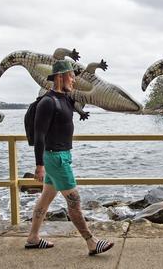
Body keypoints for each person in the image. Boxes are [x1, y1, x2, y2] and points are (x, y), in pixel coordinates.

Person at [25, 60, 114, 255]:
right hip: (54, 157)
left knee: (45, 199)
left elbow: (89, 94)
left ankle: (33, 237)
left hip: (63, 155)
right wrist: (39, 165)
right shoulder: (48, 102)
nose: (74, 80)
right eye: (71, 76)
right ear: (60, 77)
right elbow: (39, 135)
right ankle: (91, 242)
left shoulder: (66, 99)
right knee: (74, 199)